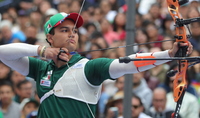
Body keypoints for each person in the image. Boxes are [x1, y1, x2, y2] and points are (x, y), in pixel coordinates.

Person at [0, 12, 193, 118]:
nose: (72, 34)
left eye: (74, 31)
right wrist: (41, 52)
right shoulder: (41, 69)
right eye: (64, 30)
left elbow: (128, 64)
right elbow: (3, 53)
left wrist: (169, 54)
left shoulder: (88, 68)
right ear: (50, 37)